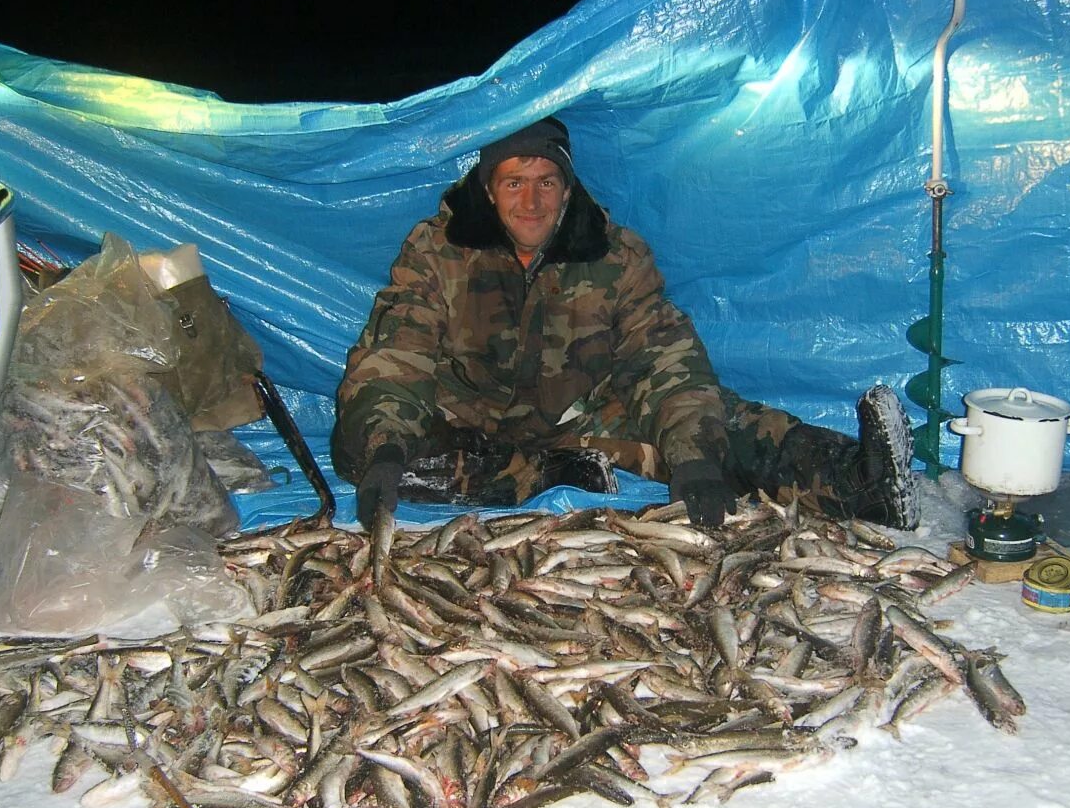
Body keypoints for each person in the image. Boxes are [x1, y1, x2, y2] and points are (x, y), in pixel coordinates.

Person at [332, 116, 919, 531]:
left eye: (546, 183)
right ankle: (546, 475)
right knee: (368, 450)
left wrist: (693, 456)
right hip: (467, 422)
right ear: (489, 191)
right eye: (514, 182)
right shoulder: (437, 251)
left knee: (719, 422)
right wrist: (385, 445)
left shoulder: (616, 255)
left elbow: (661, 356)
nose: (531, 202)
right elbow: (396, 352)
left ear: (567, 191)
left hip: (584, 416)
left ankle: (861, 484)